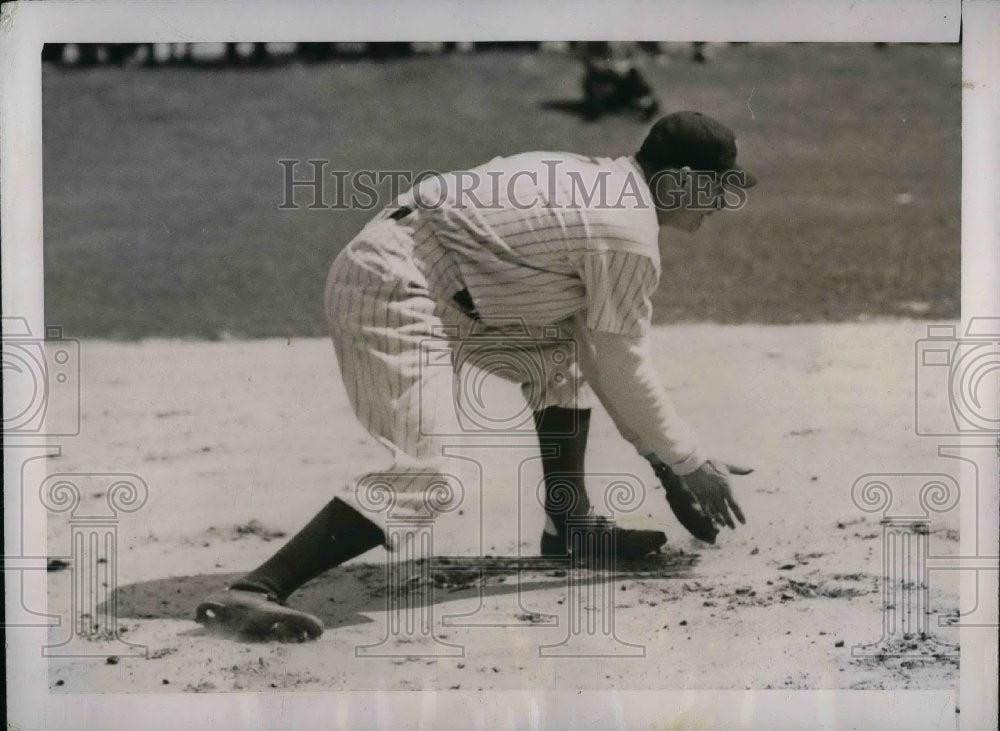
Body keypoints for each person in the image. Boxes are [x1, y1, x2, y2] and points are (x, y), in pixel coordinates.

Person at [196, 111, 756, 641]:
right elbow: (622, 363)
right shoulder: (625, 229)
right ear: (681, 181)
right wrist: (686, 459)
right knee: (431, 473)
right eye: (718, 187)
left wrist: (666, 462)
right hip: (393, 285)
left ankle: (571, 527)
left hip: (439, 280)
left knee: (558, 351)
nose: (724, 203)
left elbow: (595, 352)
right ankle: (255, 589)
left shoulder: (600, 180)